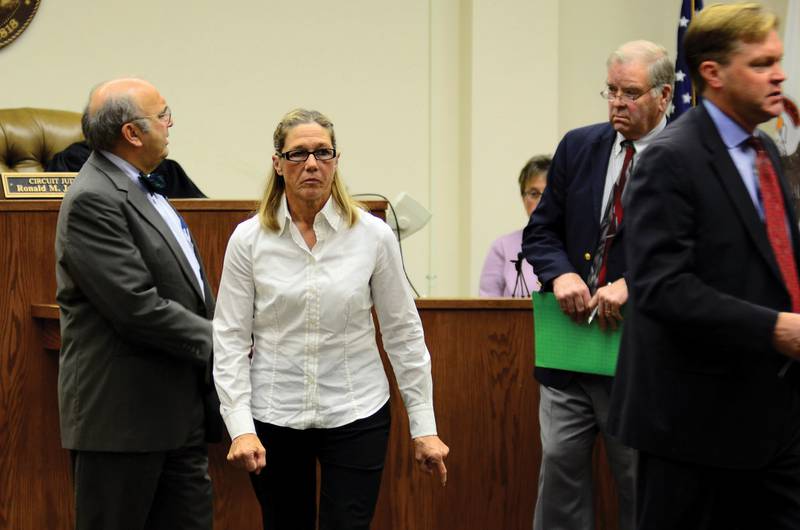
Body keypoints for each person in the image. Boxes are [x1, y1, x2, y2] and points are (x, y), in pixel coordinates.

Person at [608, 4, 800, 528]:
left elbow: (779, 268)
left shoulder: (763, 151)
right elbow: (663, 288)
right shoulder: (670, 158)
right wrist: (776, 329)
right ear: (712, 74)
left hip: (771, 416)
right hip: (692, 426)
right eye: (761, 64)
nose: (779, 75)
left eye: (778, 61)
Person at [212, 108, 449, 530]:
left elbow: (403, 333)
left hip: (356, 409)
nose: (311, 164)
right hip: (274, 411)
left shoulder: (372, 236)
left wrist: (424, 426)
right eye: (298, 154)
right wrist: (240, 427)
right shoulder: (249, 240)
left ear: (337, 161)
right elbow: (229, 338)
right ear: (278, 163)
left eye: (323, 152)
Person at [55, 78, 220, 530]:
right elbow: (135, 307)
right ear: (132, 133)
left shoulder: (146, 184)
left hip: (176, 413)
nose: (170, 124)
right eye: (163, 115)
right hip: (122, 422)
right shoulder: (94, 196)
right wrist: (223, 340)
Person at [522, 40, 674, 530]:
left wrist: (635, 283)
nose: (617, 104)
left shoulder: (685, 157)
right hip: (570, 346)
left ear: (664, 95)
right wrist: (561, 272)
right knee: (560, 467)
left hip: (639, 353)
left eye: (630, 93)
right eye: (610, 91)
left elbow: (696, 250)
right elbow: (541, 231)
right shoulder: (579, 145)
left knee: (638, 480)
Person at [479, 155, 551, 297]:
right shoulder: (502, 247)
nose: (542, 201)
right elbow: (486, 307)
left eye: (548, 193)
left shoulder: (576, 244)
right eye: (534, 193)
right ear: (523, 198)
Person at [47, 139, 207, 198]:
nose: (169, 124)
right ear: (130, 132)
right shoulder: (73, 161)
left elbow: (208, 215)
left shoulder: (167, 170)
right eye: (160, 117)